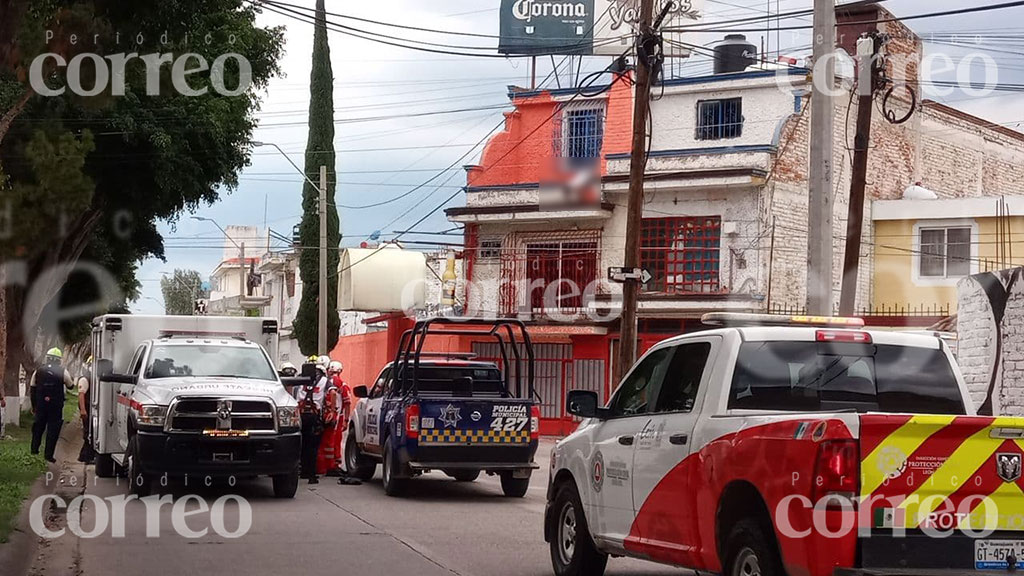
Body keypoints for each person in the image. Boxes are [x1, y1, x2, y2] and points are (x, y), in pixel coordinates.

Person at [30, 347, 75, 463]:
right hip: (55, 406)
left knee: (38, 427)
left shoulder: (38, 370)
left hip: (40, 405)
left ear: (48, 358)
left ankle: (34, 450)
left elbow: (32, 388)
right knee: (53, 430)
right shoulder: (63, 371)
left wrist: (34, 405)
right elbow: (70, 385)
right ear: (59, 360)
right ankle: (48, 455)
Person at [298, 356, 328, 484]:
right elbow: (332, 393)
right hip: (315, 416)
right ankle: (311, 474)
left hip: (301, 415)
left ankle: (304, 471)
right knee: (313, 446)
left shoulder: (300, 380)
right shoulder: (325, 381)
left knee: (302, 444)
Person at [77, 356, 96, 463]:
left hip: (90, 408)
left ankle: (86, 455)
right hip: (87, 408)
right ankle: (85, 456)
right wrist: (83, 410)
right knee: (88, 432)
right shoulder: (85, 379)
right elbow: (81, 395)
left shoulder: (92, 378)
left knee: (91, 431)